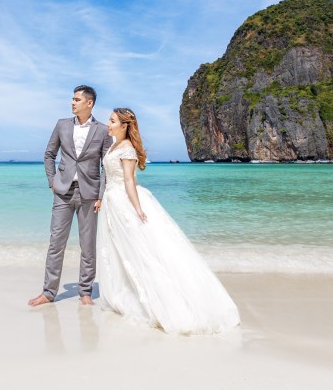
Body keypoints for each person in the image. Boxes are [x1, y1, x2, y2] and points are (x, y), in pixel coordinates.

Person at [98, 107, 240, 334]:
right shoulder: (114, 145)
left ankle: (161, 299)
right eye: (109, 120)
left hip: (124, 202)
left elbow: (128, 181)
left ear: (124, 125)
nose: (108, 123)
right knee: (120, 250)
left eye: (112, 120)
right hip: (112, 202)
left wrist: (137, 209)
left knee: (141, 251)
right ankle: (127, 290)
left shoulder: (126, 149)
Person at [28, 85, 112, 307]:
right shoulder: (61, 125)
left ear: (89, 103)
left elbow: (107, 166)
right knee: (56, 243)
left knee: (88, 245)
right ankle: (48, 292)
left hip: (89, 194)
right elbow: (49, 154)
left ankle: (85, 291)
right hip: (63, 193)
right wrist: (51, 181)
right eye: (72, 99)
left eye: (77, 99)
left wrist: (101, 194)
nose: (72, 102)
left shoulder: (103, 131)